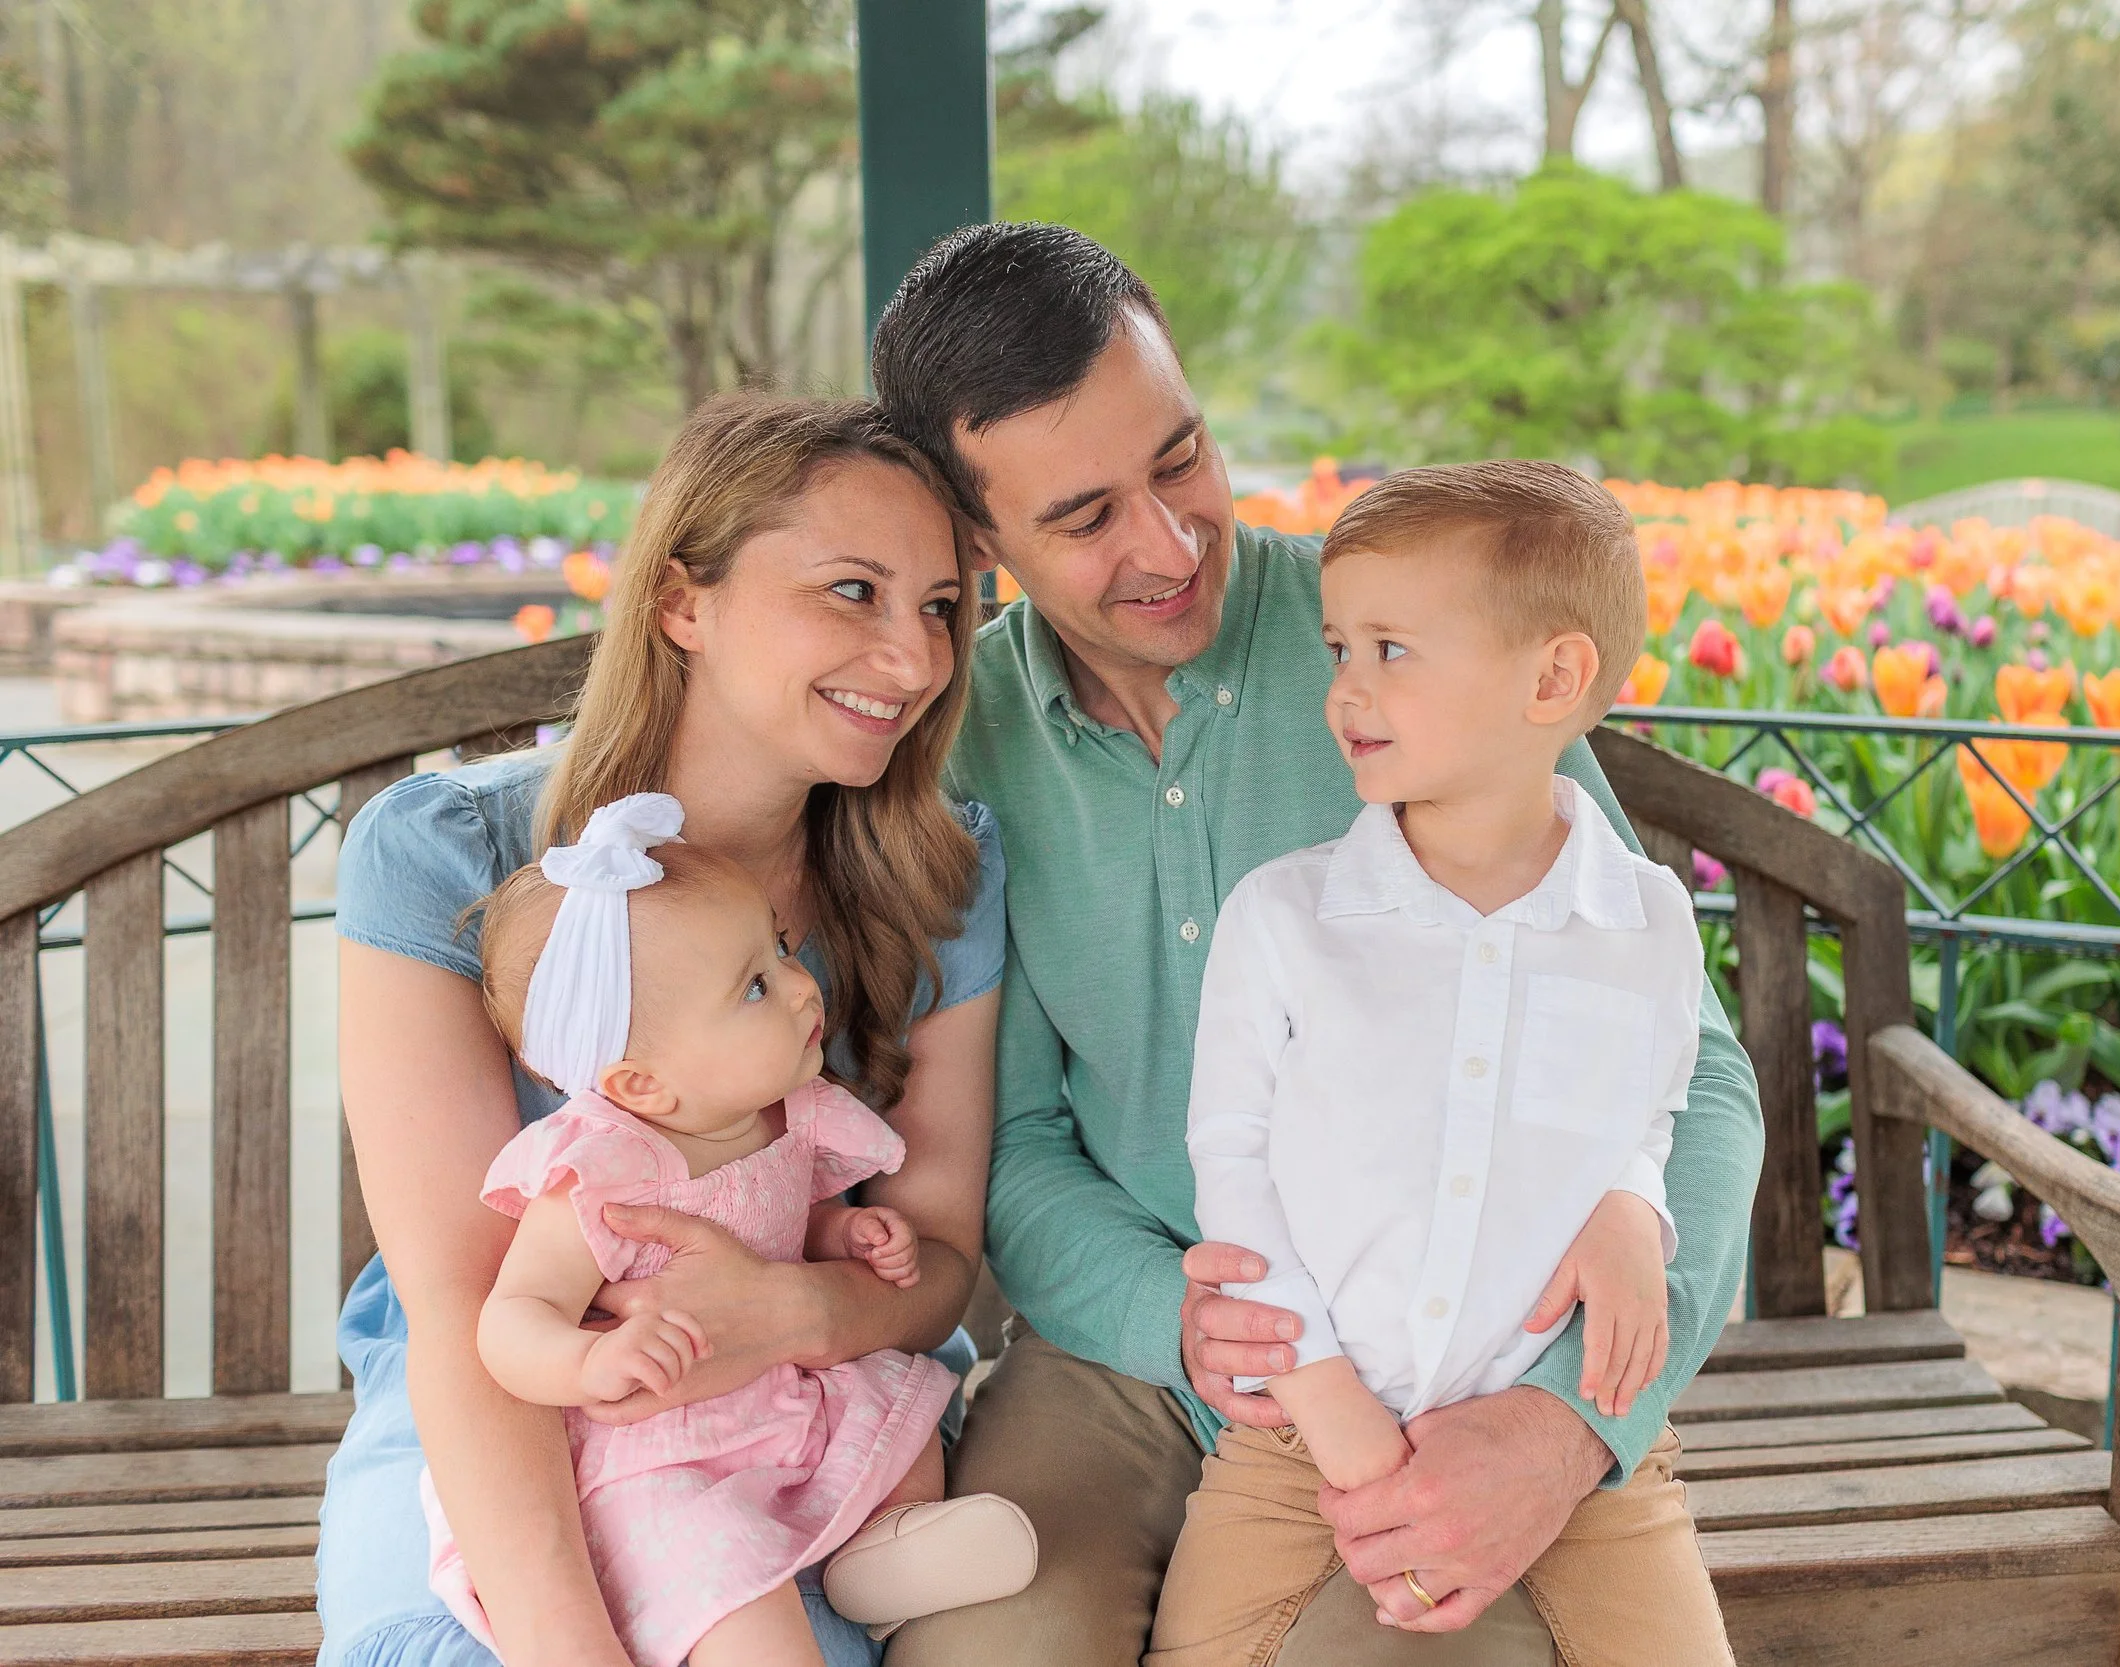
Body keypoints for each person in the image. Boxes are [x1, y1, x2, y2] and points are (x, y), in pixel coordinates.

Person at [876, 221, 1763, 1666]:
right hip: (1130, 1349)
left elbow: (1692, 1074)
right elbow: (1015, 1137)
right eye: (1086, 515)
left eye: (1181, 459)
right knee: (988, 1646)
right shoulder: (960, 746)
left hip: (1444, 1353)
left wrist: (1563, 1421)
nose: (1166, 543)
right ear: (980, 545)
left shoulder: (1413, 645)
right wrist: (1187, 1320)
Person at [320, 394, 1007, 1667]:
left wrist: (789, 1312)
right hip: (499, 1397)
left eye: (940, 607)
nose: (915, 661)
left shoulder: (936, 871)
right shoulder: (443, 854)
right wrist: (565, 1645)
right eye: (852, 590)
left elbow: (943, 1257)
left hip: (802, 1406)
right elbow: (470, 1306)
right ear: (683, 602)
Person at [1151, 461, 1731, 1666]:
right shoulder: (1285, 917)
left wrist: (1635, 1199)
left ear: (1554, 677)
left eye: (1392, 649)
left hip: (1589, 1454)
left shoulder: (1648, 920)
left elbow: (1656, 1098)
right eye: (1338, 647)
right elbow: (1234, 1161)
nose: (1345, 690)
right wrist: (1334, 1410)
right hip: (1298, 1441)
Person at [423, 795, 1036, 1667]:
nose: (799, 985)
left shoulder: (789, 1114)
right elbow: (509, 1315)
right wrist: (587, 1361)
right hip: (662, 1451)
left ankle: (888, 1546)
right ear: (641, 1086)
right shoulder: (602, 1171)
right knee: (730, 1587)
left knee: (900, 1410)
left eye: (780, 950)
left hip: (773, 1391)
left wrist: (848, 1234)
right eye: (755, 984)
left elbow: (795, 1217)